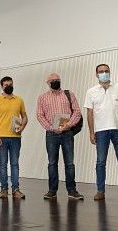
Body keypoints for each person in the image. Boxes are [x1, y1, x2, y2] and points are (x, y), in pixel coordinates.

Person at [84, 64, 118, 202]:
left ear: (110, 72)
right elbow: (89, 113)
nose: (104, 73)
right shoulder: (91, 91)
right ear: (96, 75)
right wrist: (91, 132)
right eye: (101, 71)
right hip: (100, 131)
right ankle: (100, 191)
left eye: (106, 71)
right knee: (100, 162)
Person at [36, 73, 84, 201]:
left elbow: (77, 112)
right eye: (52, 80)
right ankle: (52, 191)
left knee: (69, 163)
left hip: (67, 133)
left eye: (57, 80)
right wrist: (51, 127)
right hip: (51, 134)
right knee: (52, 163)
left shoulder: (69, 94)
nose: (55, 81)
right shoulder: (42, 98)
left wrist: (68, 125)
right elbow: (40, 115)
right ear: (47, 83)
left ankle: (72, 190)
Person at [0, 76, 28, 199]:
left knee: (15, 164)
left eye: (10, 84)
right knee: (3, 164)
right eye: (6, 85)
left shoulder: (19, 100)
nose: (9, 86)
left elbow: (24, 116)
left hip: (15, 137)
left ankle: (16, 189)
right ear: (2, 86)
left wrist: (22, 127)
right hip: (1, 137)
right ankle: (4, 189)